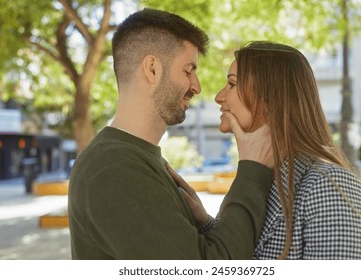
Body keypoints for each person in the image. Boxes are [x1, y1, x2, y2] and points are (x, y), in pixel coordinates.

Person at [68, 9, 274, 260]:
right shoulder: (114, 167)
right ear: (152, 69)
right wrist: (252, 172)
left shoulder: (133, 157)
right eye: (188, 71)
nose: (197, 86)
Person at [206, 41, 361, 259]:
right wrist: (205, 225)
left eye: (232, 84)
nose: (219, 96)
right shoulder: (264, 177)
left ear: (269, 96)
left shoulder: (329, 187)